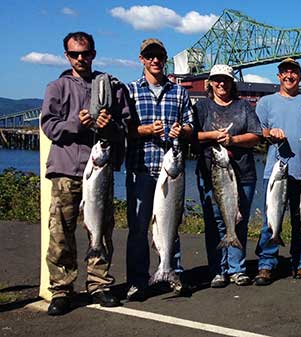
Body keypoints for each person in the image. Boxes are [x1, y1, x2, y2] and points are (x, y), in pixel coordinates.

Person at [40, 31, 130, 315]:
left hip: (100, 169)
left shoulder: (112, 86)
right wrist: (76, 124)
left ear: (94, 53)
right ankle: (62, 289)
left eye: (86, 53)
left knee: (101, 229)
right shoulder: (56, 87)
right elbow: (49, 126)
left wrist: (108, 125)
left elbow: (126, 127)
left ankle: (99, 283)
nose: (81, 58)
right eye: (75, 54)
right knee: (61, 234)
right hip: (66, 169)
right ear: (66, 56)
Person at [126, 38, 194, 301]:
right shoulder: (131, 90)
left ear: (165, 59)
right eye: (149, 55)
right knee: (139, 229)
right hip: (141, 169)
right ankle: (137, 281)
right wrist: (143, 130)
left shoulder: (180, 92)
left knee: (170, 224)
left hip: (172, 171)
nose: (155, 60)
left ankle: (171, 272)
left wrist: (183, 130)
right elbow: (123, 129)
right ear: (142, 59)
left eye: (160, 56)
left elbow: (190, 125)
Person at [255, 58, 301, 285]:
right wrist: (270, 132)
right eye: (284, 72)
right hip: (275, 173)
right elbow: (258, 131)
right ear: (278, 76)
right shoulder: (266, 102)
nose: (289, 76)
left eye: (293, 72)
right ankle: (266, 264)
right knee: (270, 220)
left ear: (300, 76)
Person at [194, 64, 261, 288]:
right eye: (216, 79)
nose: (221, 83)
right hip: (211, 173)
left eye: (226, 79)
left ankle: (237, 269)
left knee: (238, 221)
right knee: (215, 224)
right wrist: (212, 136)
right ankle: (218, 270)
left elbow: (256, 136)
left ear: (233, 82)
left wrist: (232, 141)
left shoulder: (243, 106)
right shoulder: (202, 107)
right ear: (210, 83)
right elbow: (192, 136)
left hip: (243, 174)